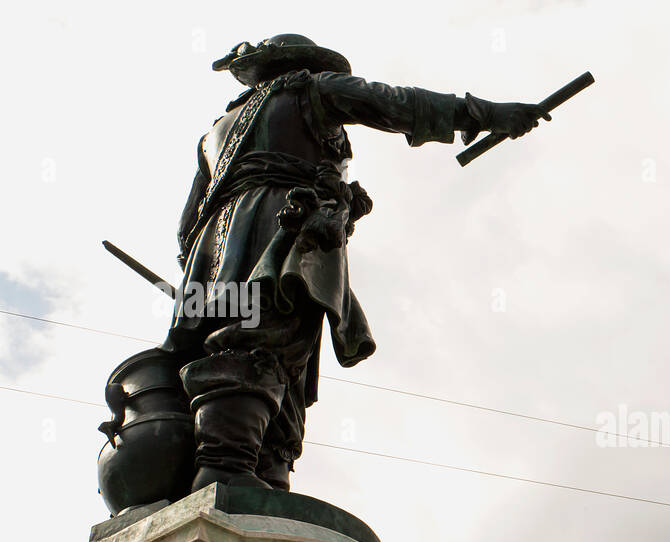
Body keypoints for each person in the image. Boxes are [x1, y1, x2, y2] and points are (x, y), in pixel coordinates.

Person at [161, 34, 550, 490]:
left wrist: (205, 269)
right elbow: (395, 103)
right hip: (284, 225)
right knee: (273, 341)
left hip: (213, 250)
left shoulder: (215, 131)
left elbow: (187, 228)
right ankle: (227, 469)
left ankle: (259, 472)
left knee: (247, 342)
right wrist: (485, 114)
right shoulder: (309, 87)